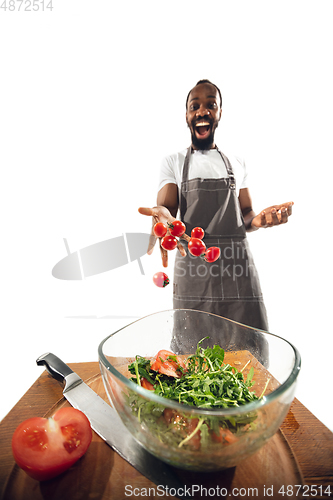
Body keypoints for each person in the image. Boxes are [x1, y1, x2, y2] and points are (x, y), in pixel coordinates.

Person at [139, 79, 293, 332]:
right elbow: (166, 208)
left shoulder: (237, 161)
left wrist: (260, 221)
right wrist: (163, 217)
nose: (203, 111)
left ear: (220, 113)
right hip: (193, 270)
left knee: (248, 351)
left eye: (211, 104)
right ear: (187, 115)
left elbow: (245, 214)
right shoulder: (173, 162)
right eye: (195, 106)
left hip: (238, 270)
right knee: (193, 350)